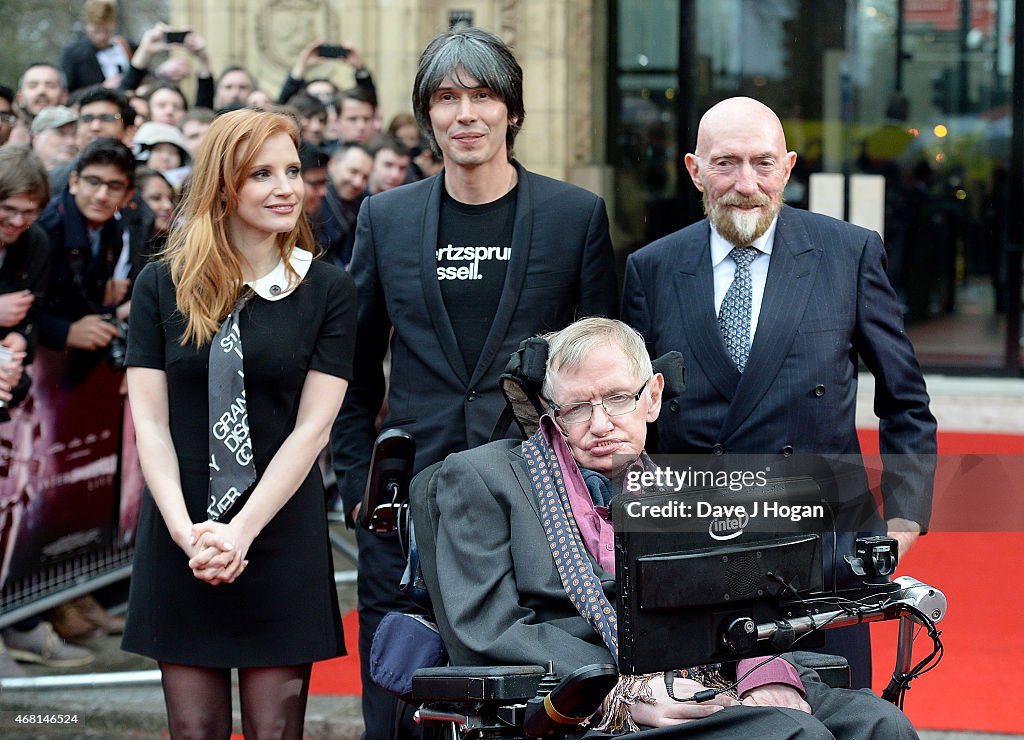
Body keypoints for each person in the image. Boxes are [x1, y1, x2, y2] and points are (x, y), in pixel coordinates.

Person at [431, 316, 919, 737]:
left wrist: (761, 669)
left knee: (879, 726)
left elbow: (743, 600)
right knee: (790, 733)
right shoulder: (486, 478)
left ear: (653, 398)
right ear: (550, 415)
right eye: (577, 408)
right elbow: (485, 628)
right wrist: (617, 689)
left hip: (711, 671)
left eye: (618, 398)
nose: (599, 423)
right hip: (591, 700)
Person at [330, 26, 618, 738]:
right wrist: (353, 480)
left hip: (536, 504)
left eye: (484, 95)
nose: (466, 113)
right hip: (405, 504)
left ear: (512, 112)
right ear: (427, 115)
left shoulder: (573, 217)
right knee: (397, 687)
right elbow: (354, 368)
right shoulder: (386, 217)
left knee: (525, 695)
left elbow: (601, 371)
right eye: (447, 97)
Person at [620, 96, 937, 688]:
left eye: (763, 164)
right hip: (695, 555)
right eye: (726, 164)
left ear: (788, 167)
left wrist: (903, 522)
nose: (746, 184)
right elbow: (637, 420)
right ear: (693, 170)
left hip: (823, 555)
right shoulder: (652, 268)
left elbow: (906, 404)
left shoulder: (848, 253)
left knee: (834, 718)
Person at [120, 108, 356, 738]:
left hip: (279, 532)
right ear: (224, 185)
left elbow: (313, 430)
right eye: (262, 174)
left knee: (274, 732)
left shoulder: (329, 290)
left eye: (294, 171)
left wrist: (241, 533)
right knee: (192, 732)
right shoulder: (159, 285)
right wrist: (186, 533)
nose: (287, 188)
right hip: (183, 531)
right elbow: (150, 423)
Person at [0, 145, 95, 677]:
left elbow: (31, 320)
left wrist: (15, 345)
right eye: (6, 210)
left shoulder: (35, 244)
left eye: (28, 211)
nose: (17, 222)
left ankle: (17, 623)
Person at [58, 0, 133, 94]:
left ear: (115, 25)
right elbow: (65, 91)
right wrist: (100, 89)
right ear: (87, 26)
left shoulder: (126, 47)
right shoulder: (73, 53)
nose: (102, 37)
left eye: (107, 31)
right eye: (96, 31)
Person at [317, 142, 372, 268]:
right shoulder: (311, 200)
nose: (358, 182)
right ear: (332, 164)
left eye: (365, 177)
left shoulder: (363, 203)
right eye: (353, 171)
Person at [29, 106, 79, 173]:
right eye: (61, 134)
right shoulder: (18, 175)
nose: (71, 142)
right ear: (36, 140)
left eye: (74, 135)